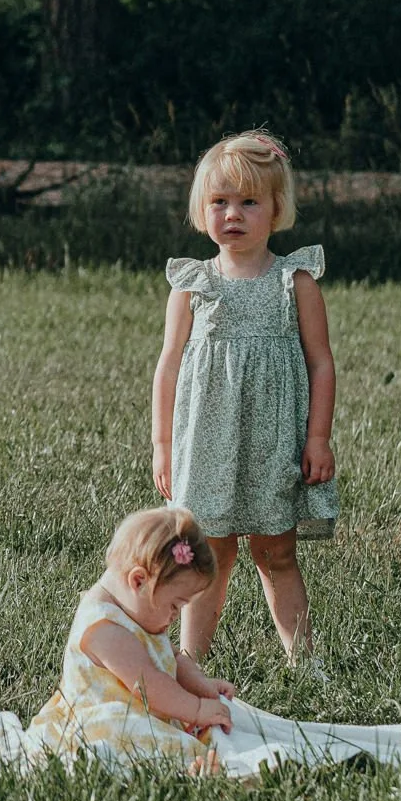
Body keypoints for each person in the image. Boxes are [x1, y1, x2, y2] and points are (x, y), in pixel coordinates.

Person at [151, 130, 336, 667]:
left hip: (273, 440)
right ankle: (190, 661)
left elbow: (321, 362)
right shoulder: (192, 283)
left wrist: (318, 438)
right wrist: (163, 444)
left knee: (275, 551)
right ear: (201, 209)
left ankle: (305, 663)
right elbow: (168, 364)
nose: (232, 214)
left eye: (249, 202)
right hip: (207, 440)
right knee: (211, 553)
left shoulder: (294, 281)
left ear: (277, 209)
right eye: (219, 202)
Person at [30, 507, 235, 775]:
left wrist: (200, 685)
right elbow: (148, 685)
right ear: (139, 581)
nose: (176, 615)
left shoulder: (136, 610)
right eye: (175, 605)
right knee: (124, 738)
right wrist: (195, 709)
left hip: (144, 712)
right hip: (101, 720)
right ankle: (179, 767)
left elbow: (172, 657)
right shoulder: (104, 628)